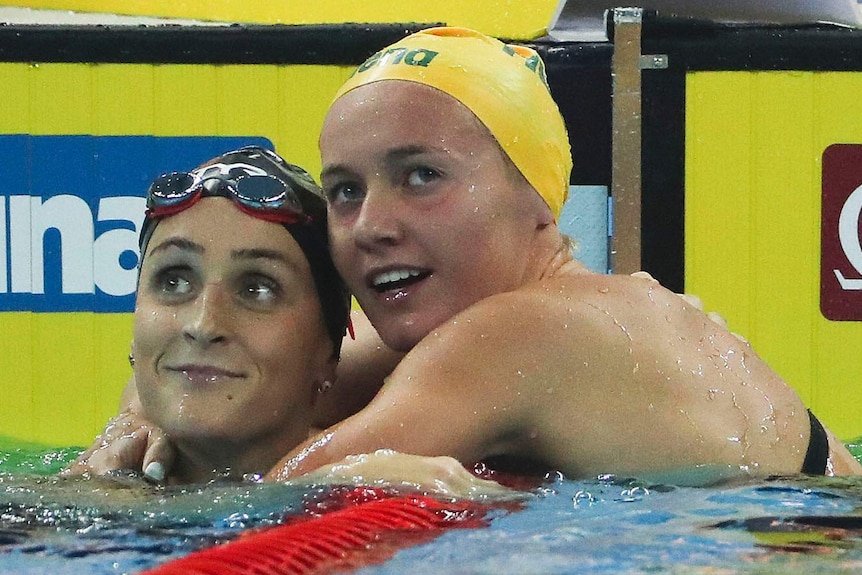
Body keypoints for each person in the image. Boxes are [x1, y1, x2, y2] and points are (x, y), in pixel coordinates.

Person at [73, 27, 861, 485]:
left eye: (422, 176)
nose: (372, 223)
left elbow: (278, 495)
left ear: (538, 199)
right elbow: (250, 374)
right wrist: (151, 406)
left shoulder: (523, 333)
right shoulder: (510, 323)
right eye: (346, 190)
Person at [65, 146, 351, 484]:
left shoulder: (380, 513)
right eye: (173, 281)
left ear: (328, 352)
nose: (203, 325)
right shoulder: (45, 510)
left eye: (257, 289)